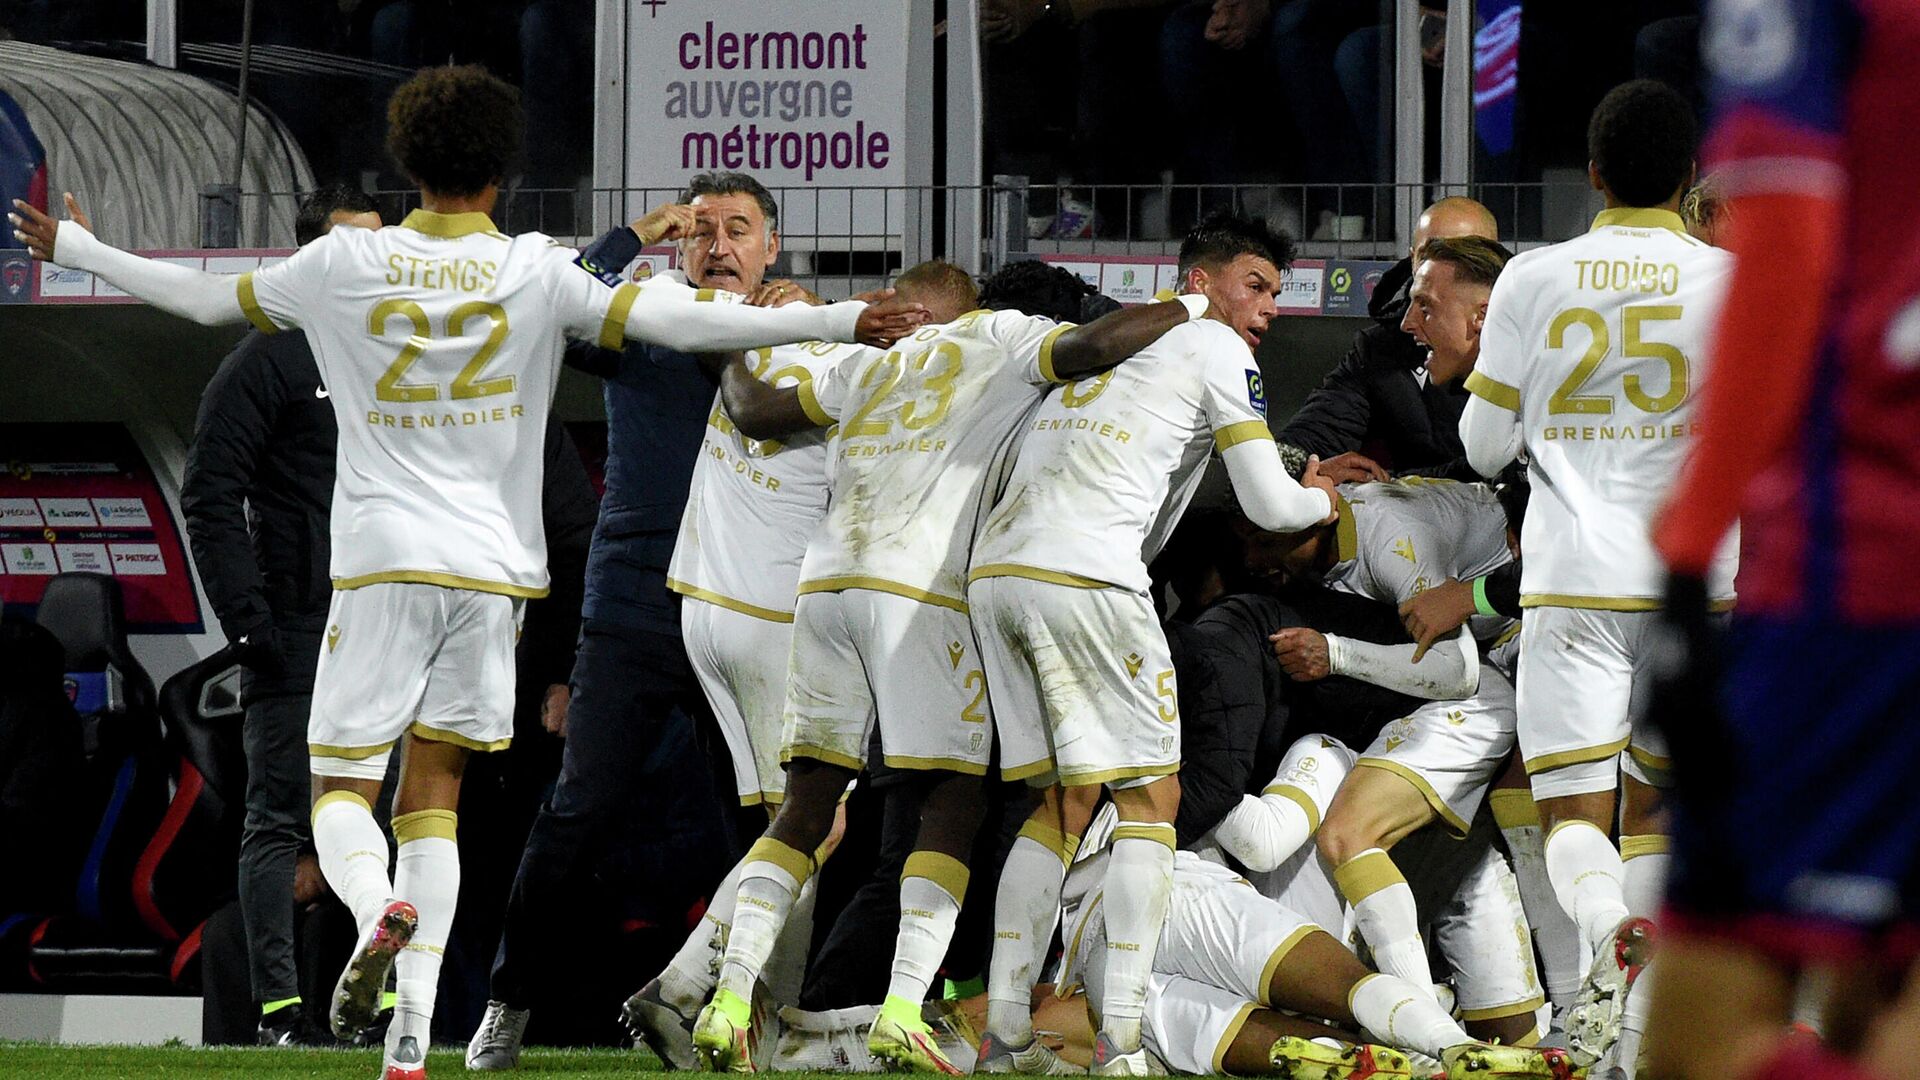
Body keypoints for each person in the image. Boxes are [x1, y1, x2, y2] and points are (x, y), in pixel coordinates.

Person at [12, 63, 921, 1080]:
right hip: (494, 581)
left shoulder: (346, 261)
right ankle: (411, 1038)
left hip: (381, 567)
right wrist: (840, 320)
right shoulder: (535, 267)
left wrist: (80, 247)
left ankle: (372, 909)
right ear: (502, 173)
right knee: (437, 801)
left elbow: (196, 300)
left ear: (408, 160)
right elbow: (684, 322)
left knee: (341, 795)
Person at [696, 259, 1220, 1074]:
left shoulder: (866, 358)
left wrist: (728, 343)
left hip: (824, 589)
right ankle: (905, 1009)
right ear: (967, 308)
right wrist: (1191, 302)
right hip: (917, 595)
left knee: (803, 809)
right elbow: (1092, 346)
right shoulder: (997, 336)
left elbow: (756, 409)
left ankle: (729, 999)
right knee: (953, 806)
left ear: (902, 310)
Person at [465, 171, 912, 1071]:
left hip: (754, 615)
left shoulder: (805, 330)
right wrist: (635, 233)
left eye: (738, 229)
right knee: (579, 809)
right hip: (636, 606)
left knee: (773, 826)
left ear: (771, 247)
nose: (718, 246)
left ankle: (754, 1011)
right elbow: (556, 305)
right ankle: (508, 1003)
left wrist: (816, 316)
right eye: (700, 230)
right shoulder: (650, 319)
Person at [966, 214, 1337, 1076]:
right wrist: (1324, 500)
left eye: (1279, 293)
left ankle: (1006, 1031)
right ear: (1199, 283)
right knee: (1152, 800)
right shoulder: (1213, 346)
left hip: (1001, 574)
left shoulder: (1103, 344)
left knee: (1059, 806)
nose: (1270, 308)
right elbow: (1272, 509)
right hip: (1089, 575)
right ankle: (1121, 1042)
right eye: (1257, 284)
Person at [1645, 4, 1920, 1079]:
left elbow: (1784, 258)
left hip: (1858, 570)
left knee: (1699, 1044)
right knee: (1874, 1000)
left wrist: (1684, 560)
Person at [1456, 78, 1735, 1068]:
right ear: (1691, 176)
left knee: (1573, 811)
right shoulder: (1730, 281)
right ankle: (1644, 1045)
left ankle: (1604, 931)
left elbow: (1484, 445)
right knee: (1660, 808)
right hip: (1696, 587)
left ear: (1593, 176)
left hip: (1570, 582)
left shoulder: (1532, 280)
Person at [178, 184, 380, 1046]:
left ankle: (354, 1004)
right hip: (293, 629)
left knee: (376, 818)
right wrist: (248, 621)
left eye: (379, 245)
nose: (367, 264)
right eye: (349, 247)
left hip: (382, 621)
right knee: (278, 821)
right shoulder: (266, 359)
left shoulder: (395, 350)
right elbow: (208, 491)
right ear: (308, 259)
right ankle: (279, 1012)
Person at [1263, 479, 1537, 1044]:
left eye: (1270, 539)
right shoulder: (1335, 530)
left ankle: (1430, 1033)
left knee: (1348, 834)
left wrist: (1334, 653)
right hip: (1481, 681)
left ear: (1316, 516)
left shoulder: (1394, 538)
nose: (1258, 558)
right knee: (1472, 861)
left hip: (1494, 675)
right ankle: (1536, 1027)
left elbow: (1453, 669)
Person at [1275, 197, 1501, 484]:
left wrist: (1394, 483)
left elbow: (1507, 470)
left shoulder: (1533, 352)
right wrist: (1284, 470)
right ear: (1412, 260)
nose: (1444, 266)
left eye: (1466, 255)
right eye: (1430, 253)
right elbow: (1317, 432)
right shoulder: (1381, 349)